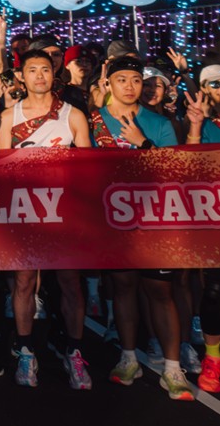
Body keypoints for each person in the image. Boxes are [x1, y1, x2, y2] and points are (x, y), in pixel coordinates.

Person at [90, 56, 193, 401]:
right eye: (122, 79)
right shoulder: (93, 121)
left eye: (136, 80)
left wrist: (142, 143)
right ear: (109, 84)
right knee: (123, 288)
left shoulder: (158, 123)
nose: (130, 86)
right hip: (113, 221)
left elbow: (175, 173)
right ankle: (128, 358)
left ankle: (173, 368)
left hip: (154, 220)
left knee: (160, 291)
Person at [0, 49, 93, 390]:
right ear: (21, 76)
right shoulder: (8, 116)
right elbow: (1, 168)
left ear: (55, 74)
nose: (39, 76)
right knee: (24, 282)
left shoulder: (72, 115)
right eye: (32, 70)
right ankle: (26, 351)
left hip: (64, 213)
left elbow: (89, 169)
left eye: (45, 69)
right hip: (25, 212)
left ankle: (75, 352)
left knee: (70, 283)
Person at [182, 65, 220, 393]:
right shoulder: (206, 125)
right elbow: (190, 166)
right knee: (215, 291)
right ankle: (213, 357)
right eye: (215, 84)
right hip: (215, 218)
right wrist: (195, 127)